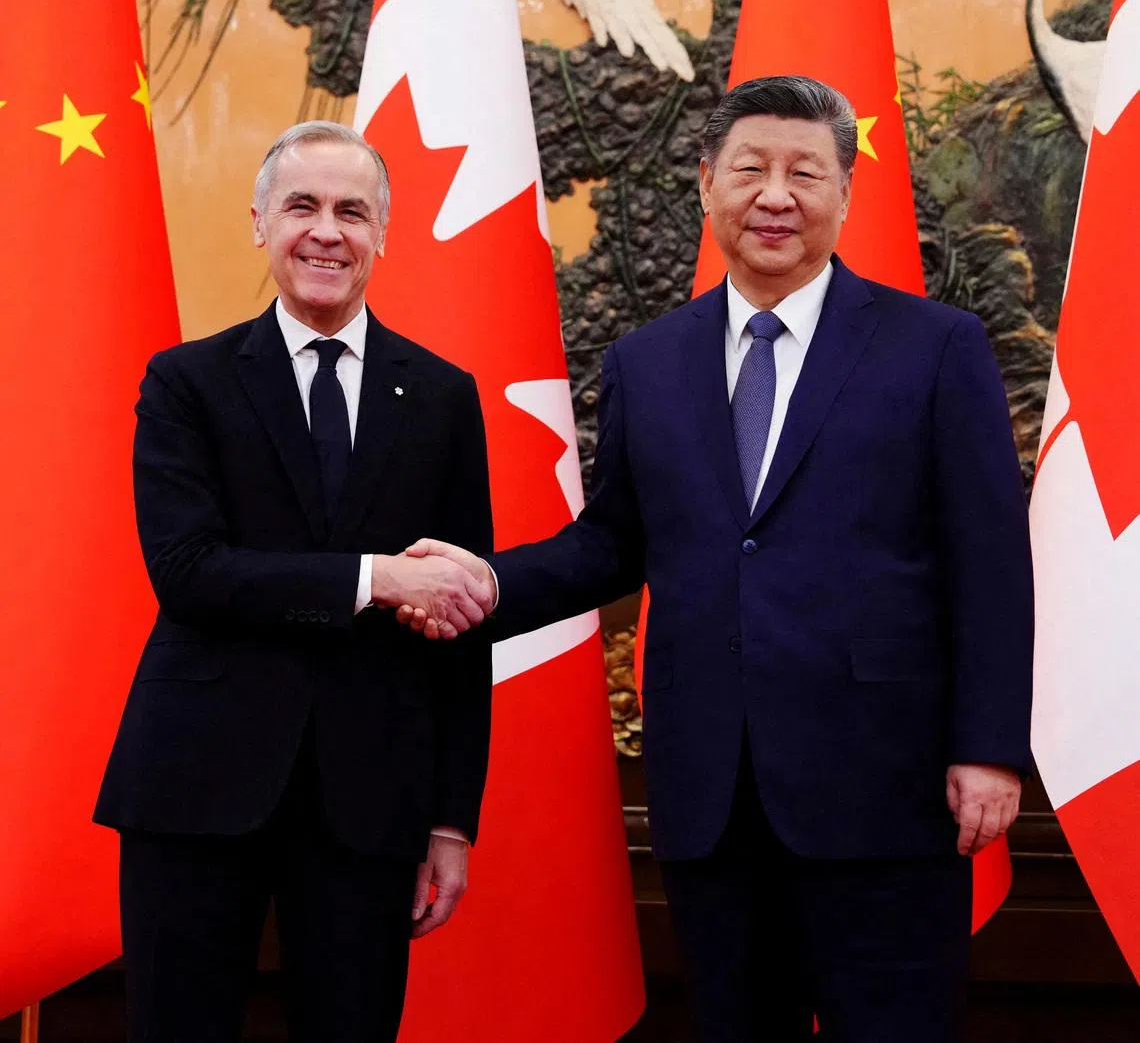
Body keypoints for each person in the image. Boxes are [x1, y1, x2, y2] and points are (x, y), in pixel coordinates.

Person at [400, 77, 1034, 1042]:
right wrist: (483, 581)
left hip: (886, 786)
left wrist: (987, 747)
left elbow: (989, 560)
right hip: (713, 791)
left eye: (803, 173)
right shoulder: (649, 362)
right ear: (707, 185)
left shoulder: (935, 348)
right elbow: (613, 542)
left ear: (845, 194)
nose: (774, 195)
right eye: (750, 169)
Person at [94, 121, 496, 1043]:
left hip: (370, 794)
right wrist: (373, 578)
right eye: (302, 206)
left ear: (383, 234)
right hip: (196, 781)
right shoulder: (186, 382)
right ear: (259, 223)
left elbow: (462, 616)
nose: (326, 231)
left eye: (352, 211)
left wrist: (450, 818)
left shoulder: (441, 395)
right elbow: (189, 572)